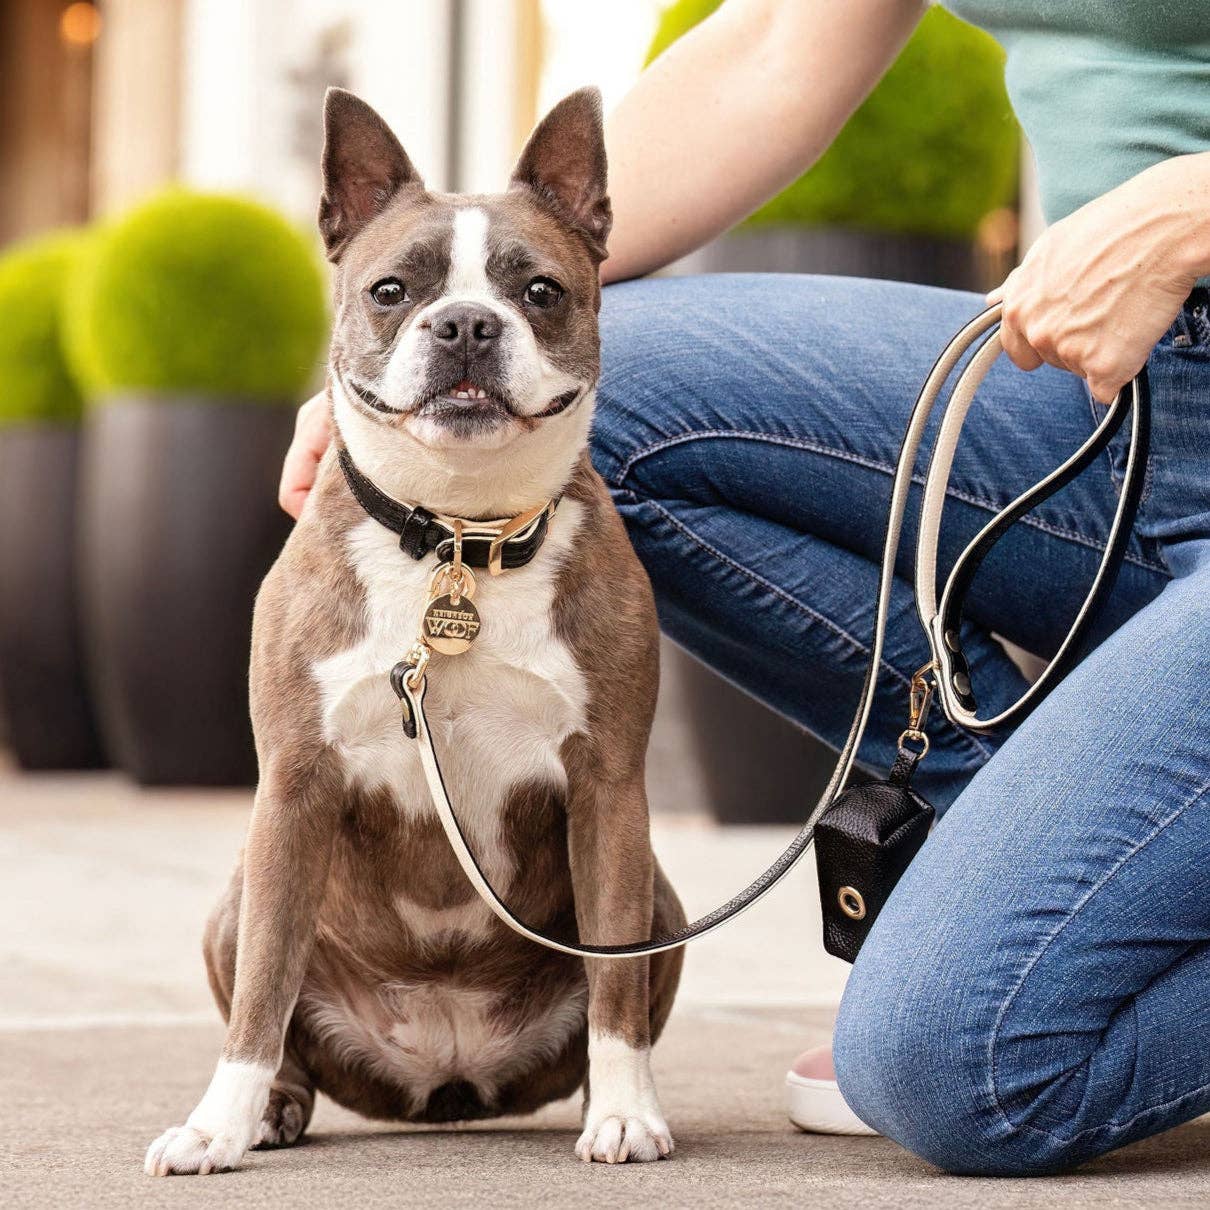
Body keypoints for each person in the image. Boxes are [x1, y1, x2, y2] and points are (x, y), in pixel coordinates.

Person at [279, 0, 1210, 1176]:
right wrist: (402, 369)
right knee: (586, 411)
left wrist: (1192, 205)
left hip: (1167, 296)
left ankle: (1048, 916)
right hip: (1121, 399)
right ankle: (1021, 834)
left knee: (956, 1058)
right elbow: (776, 39)